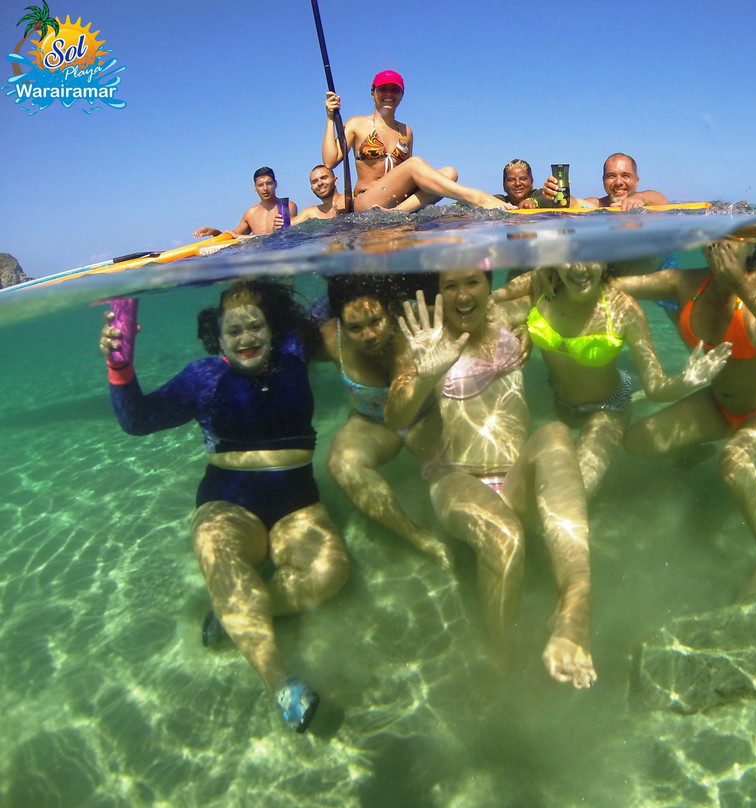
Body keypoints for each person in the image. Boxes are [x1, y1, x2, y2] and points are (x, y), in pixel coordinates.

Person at [98, 280, 349, 733]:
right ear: (219, 336)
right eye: (234, 331)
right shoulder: (202, 378)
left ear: (273, 329)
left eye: (255, 326)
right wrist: (120, 366)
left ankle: (234, 609)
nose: (247, 338)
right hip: (227, 502)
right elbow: (138, 421)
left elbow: (332, 296)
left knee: (331, 572)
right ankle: (280, 682)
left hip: (296, 502)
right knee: (223, 554)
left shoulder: (293, 350)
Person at [384, 271, 597, 688]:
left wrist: (530, 333)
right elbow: (394, 415)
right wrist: (426, 376)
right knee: (505, 535)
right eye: (450, 287)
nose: (463, 295)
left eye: (473, 283)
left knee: (554, 433)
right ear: (439, 294)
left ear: (488, 285)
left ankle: (576, 607)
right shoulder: (424, 338)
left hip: (517, 478)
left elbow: (553, 279)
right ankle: (500, 657)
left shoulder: (508, 316)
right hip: (458, 479)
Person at [616, 239, 756, 597]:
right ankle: (695, 450)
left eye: (734, 239)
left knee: (735, 462)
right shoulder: (685, 281)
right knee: (638, 441)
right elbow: (609, 288)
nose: (722, 245)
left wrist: (740, 284)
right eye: (715, 238)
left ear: (752, 247)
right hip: (718, 405)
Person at [498, 262, 730, 497]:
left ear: (605, 259)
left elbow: (656, 388)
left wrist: (685, 381)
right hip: (560, 402)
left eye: (591, 256)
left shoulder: (624, 310)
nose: (580, 268)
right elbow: (489, 309)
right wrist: (522, 325)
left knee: (573, 493)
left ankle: (684, 450)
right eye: (571, 256)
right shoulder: (541, 288)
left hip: (608, 406)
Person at [319, 273, 452, 568]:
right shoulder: (331, 340)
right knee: (342, 464)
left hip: (427, 416)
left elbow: (481, 309)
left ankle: (457, 524)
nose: (368, 335)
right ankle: (417, 538)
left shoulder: (418, 318)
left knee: (458, 463)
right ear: (340, 324)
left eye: (375, 321)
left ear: (389, 310)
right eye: (355, 328)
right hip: (374, 423)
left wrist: (516, 328)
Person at [322, 70, 508, 211]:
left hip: (397, 201)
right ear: (373, 93)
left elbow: (408, 177)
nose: (389, 93)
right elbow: (329, 161)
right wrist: (330, 118)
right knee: (414, 164)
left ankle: (398, 213)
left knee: (450, 172)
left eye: (395, 89)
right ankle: (478, 198)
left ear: (402, 95)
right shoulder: (357, 123)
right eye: (383, 89)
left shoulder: (406, 131)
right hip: (367, 200)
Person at [193, 167, 296, 238]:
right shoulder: (250, 213)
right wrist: (214, 232)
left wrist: (243, 237)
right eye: (260, 185)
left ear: (275, 184)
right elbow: (233, 238)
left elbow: (284, 237)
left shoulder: (286, 206)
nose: (265, 188)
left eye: (269, 183)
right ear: (255, 188)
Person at [541, 153, 668, 210]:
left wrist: (638, 198)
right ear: (603, 180)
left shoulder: (646, 201)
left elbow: (661, 200)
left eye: (625, 175)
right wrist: (556, 192)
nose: (618, 182)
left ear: (637, 181)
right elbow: (576, 204)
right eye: (611, 176)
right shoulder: (598, 205)